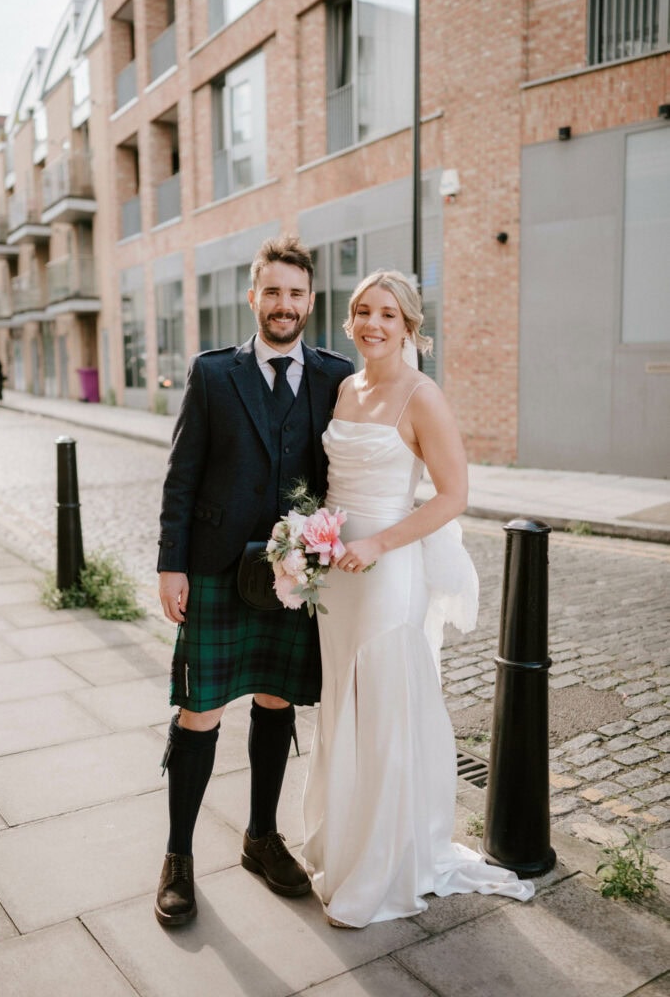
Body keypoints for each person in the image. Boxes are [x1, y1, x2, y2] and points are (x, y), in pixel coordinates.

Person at [302, 270, 534, 927]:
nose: (374, 324)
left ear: (408, 326)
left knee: (381, 707)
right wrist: (310, 536)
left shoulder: (421, 395)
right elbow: (334, 483)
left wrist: (378, 545)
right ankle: (341, 845)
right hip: (335, 572)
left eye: (388, 315)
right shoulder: (346, 387)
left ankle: (384, 862)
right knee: (340, 703)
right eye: (363, 312)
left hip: (386, 568)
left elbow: (452, 495)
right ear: (350, 322)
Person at [155, 235, 353, 927]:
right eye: (272, 291)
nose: (284, 304)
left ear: (310, 301)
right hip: (213, 566)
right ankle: (178, 856)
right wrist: (169, 563)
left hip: (293, 572)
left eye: (295, 293)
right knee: (199, 708)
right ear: (253, 297)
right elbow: (181, 475)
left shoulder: (336, 376)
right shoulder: (213, 375)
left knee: (276, 703)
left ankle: (260, 837)